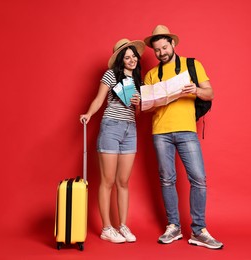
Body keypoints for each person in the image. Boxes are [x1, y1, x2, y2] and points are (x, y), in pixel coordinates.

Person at [143, 25, 223, 249]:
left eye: (165, 47)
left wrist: (194, 90)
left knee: (198, 179)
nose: (161, 53)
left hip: (187, 130)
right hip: (160, 132)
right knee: (167, 180)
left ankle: (199, 230)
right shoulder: (151, 74)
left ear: (173, 44)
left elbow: (210, 93)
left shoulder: (192, 65)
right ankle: (173, 226)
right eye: (157, 50)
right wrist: (152, 100)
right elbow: (146, 108)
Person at [80, 38, 145, 243]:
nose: (132, 59)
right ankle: (107, 228)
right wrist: (89, 114)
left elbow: (139, 114)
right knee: (107, 181)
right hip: (111, 127)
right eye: (127, 57)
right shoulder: (110, 75)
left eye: (134, 56)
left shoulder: (138, 80)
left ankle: (123, 226)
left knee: (123, 182)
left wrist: (137, 104)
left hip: (130, 130)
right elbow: (99, 99)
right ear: (120, 59)